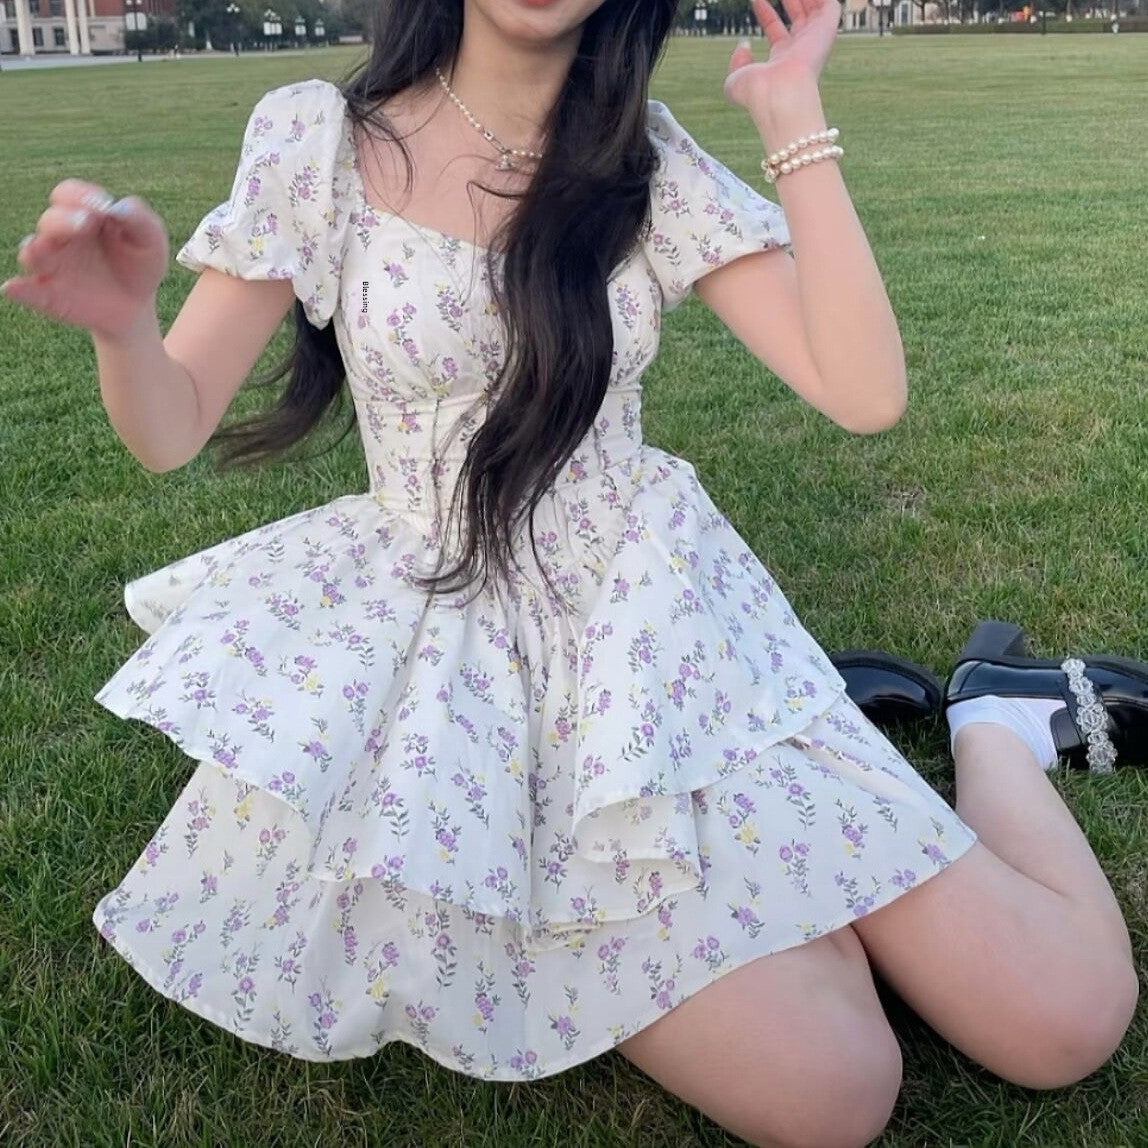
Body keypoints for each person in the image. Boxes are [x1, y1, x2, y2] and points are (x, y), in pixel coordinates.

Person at [3, 1, 1141, 1145]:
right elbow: (172, 425)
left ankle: (991, 720)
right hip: (456, 665)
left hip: (662, 634)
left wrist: (791, 116)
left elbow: (863, 392)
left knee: (1064, 1019)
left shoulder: (640, 161)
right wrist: (123, 329)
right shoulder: (319, 139)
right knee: (830, 1095)